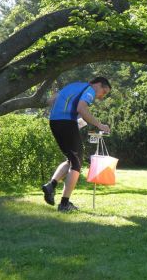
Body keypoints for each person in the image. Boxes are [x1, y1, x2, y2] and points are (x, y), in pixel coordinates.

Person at [42, 77, 111, 212]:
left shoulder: (74, 86)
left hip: (54, 122)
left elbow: (53, 99)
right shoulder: (90, 89)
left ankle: (51, 185)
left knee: (71, 159)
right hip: (66, 122)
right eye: (104, 91)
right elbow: (81, 108)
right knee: (77, 163)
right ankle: (64, 204)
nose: (102, 96)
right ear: (97, 84)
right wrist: (99, 125)